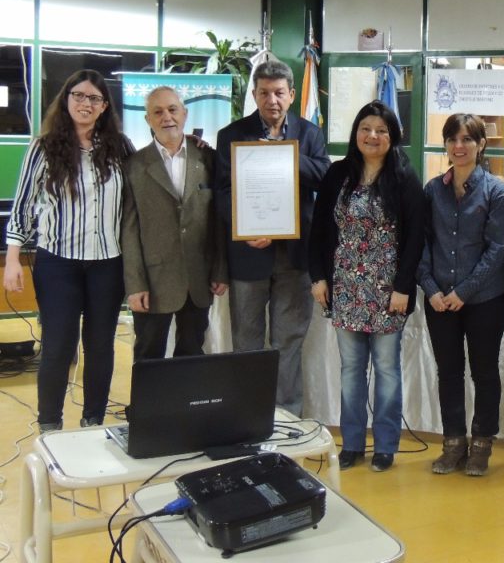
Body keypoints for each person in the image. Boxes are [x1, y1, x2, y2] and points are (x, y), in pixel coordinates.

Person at [3, 70, 133, 430]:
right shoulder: (43, 147)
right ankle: (50, 425)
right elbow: (23, 206)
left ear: (104, 106)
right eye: (78, 95)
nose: (85, 104)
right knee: (59, 347)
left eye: (94, 98)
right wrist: (12, 258)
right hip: (58, 264)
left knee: (101, 346)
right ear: (66, 99)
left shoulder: (120, 148)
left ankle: (93, 420)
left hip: (108, 263)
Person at [309, 100, 426, 472]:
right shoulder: (338, 174)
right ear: (356, 133)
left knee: (388, 370)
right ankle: (353, 444)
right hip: (344, 286)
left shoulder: (405, 177)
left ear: (392, 137)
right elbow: (319, 230)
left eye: (381, 131)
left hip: (389, 289)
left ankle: (387, 445)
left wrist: (404, 287)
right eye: (365, 129)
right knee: (350, 370)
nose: (372, 136)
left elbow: (415, 239)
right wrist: (318, 276)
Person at [215, 59, 330, 416]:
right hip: (249, 256)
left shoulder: (309, 134)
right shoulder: (232, 135)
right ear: (254, 94)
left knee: (288, 343)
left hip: (296, 259)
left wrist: (286, 155)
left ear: (292, 95)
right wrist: (248, 228)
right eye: (264, 93)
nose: (272, 100)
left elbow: (325, 178)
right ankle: (247, 417)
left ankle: (286, 420)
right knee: (247, 343)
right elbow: (221, 193)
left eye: (279, 93)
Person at [418, 113, 504, 477]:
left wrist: (464, 290)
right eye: (452, 139)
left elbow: (498, 248)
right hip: (439, 300)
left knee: (485, 372)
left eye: (467, 139)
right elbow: (422, 243)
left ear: (481, 145)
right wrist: (431, 288)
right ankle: (453, 442)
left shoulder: (497, 191)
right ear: (446, 144)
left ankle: (482, 443)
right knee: (449, 372)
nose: (459, 146)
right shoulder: (432, 190)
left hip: (484, 299)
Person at [121, 86, 228, 360]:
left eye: (172, 109)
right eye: (157, 112)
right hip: (154, 282)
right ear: (147, 120)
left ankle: (184, 404)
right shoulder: (134, 166)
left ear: (185, 113)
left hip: (198, 278)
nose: (166, 117)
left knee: (192, 354)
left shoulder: (208, 158)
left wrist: (219, 269)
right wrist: (135, 285)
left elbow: (218, 219)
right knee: (148, 354)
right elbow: (129, 231)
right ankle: (148, 405)